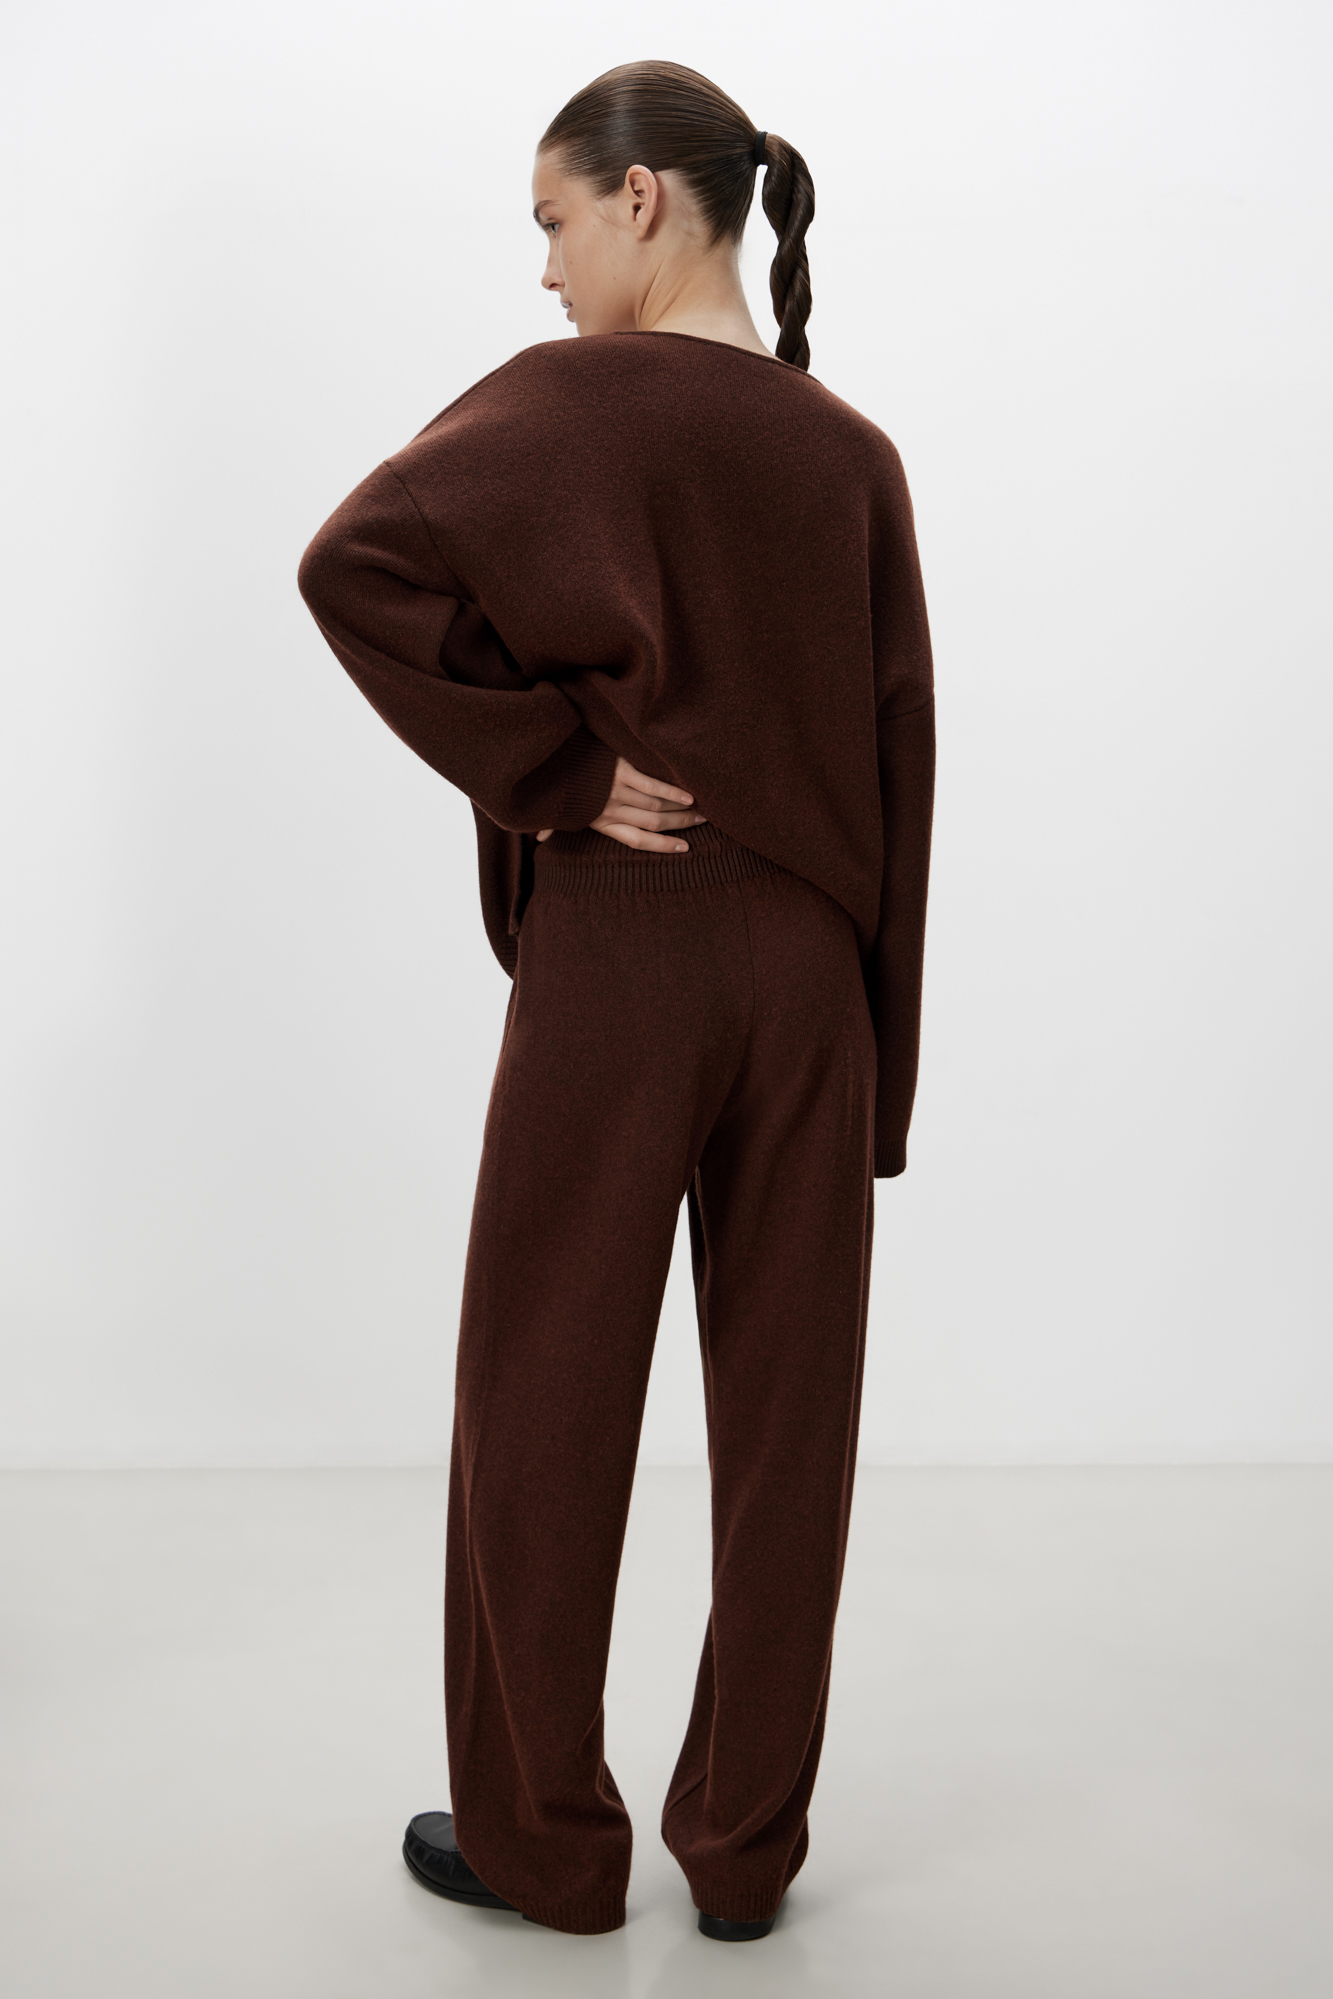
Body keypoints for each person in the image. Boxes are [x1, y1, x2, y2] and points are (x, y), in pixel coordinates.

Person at [297, 58, 935, 1945]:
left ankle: (543, 1845)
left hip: (620, 961)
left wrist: (558, 774)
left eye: (555, 222)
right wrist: (881, 1069)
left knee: (542, 1388)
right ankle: (742, 1857)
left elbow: (350, 567)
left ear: (642, 200)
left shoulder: (554, 406)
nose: (547, 268)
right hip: (811, 977)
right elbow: (900, 770)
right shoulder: (849, 454)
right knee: (791, 1418)